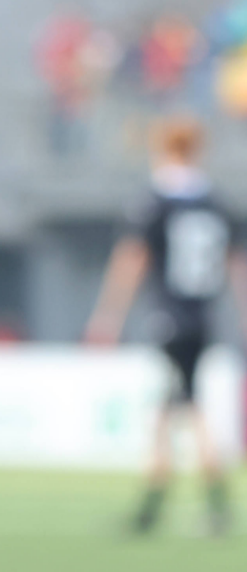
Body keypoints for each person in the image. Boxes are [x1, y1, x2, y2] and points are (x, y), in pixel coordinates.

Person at [85, 116, 247, 533]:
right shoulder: (216, 201)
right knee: (171, 403)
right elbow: (235, 265)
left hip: (169, 315)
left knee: (186, 405)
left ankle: (196, 503)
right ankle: (163, 503)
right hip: (203, 315)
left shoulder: (156, 200)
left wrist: (107, 316)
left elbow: (132, 259)